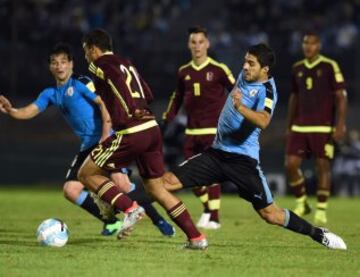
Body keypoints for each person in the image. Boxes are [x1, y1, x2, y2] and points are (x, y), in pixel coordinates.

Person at [162, 43, 347, 250]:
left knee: (271, 215)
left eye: (251, 63)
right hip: (216, 154)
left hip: (243, 162)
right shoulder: (244, 75)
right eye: (245, 61)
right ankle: (181, 231)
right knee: (165, 183)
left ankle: (318, 233)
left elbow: (263, 120)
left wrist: (240, 106)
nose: (245, 67)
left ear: (264, 69)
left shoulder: (267, 91)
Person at [0, 43, 175, 237]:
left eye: (63, 62)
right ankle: (111, 221)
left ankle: (159, 220)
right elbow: (30, 110)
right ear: (50, 67)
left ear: (71, 64)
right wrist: (11, 110)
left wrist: (104, 136)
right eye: (55, 63)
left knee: (123, 185)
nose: (59, 66)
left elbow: (104, 104)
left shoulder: (82, 82)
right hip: (87, 146)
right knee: (70, 189)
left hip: (107, 140)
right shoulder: (50, 93)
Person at [79, 28, 207, 248]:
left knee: (87, 173)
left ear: (93, 48)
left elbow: (116, 80)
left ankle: (130, 208)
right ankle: (196, 238)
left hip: (132, 130)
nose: (86, 56)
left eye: (85, 51)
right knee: (156, 189)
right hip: (151, 127)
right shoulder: (126, 62)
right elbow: (147, 94)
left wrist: (128, 107)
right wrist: (136, 106)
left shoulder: (98, 64)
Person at [162, 26, 235, 230]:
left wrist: (237, 117)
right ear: (189, 45)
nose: (197, 46)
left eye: (201, 42)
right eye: (193, 42)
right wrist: (168, 116)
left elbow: (236, 92)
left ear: (208, 44)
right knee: (190, 176)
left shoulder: (219, 69)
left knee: (211, 173)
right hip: (191, 132)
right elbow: (176, 97)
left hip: (213, 132)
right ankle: (208, 209)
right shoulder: (183, 71)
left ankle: (215, 217)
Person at [285, 31, 347, 225]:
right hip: (300, 126)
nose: (308, 47)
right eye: (305, 43)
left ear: (319, 45)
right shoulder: (297, 68)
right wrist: (289, 124)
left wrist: (340, 124)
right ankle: (302, 202)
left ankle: (321, 210)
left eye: (312, 43)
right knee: (291, 165)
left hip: (323, 127)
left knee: (322, 167)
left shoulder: (329, 66)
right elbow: (294, 97)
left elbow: (341, 97)